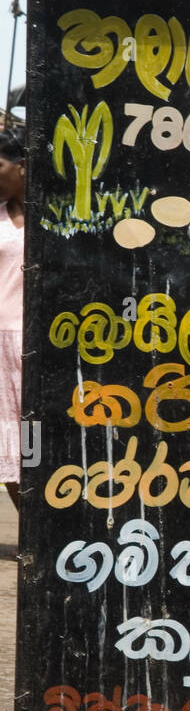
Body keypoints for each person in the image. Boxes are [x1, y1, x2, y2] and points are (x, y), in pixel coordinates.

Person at [0, 127, 25, 511]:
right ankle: (30, 532)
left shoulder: (57, 212)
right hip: (2, 340)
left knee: (37, 432)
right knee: (12, 439)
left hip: (43, 338)